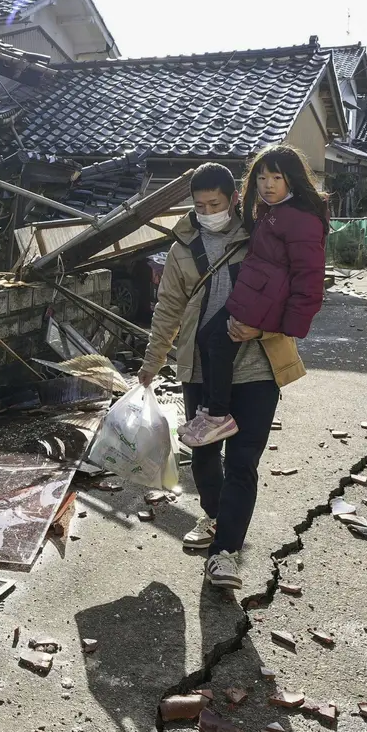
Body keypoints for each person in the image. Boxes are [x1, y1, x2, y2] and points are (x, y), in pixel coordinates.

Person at [136, 154, 314, 590]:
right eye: (200, 206)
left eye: (216, 204)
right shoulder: (181, 250)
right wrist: (151, 362)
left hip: (257, 368)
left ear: (235, 198)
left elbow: (296, 284)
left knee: (242, 462)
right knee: (202, 459)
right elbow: (168, 310)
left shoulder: (262, 235)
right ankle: (216, 518)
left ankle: (226, 554)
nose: (208, 213)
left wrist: (266, 325)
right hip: (200, 369)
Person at [179, 146, 328, 447]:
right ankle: (210, 412)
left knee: (218, 343)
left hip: (264, 302)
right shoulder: (271, 212)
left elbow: (309, 279)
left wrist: (288, 326)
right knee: (208, 337)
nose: (268, 185)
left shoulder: (300, 219)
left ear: (292, 180)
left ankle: (218, 416)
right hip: (253, 295)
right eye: (261, 178)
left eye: (276, 177)